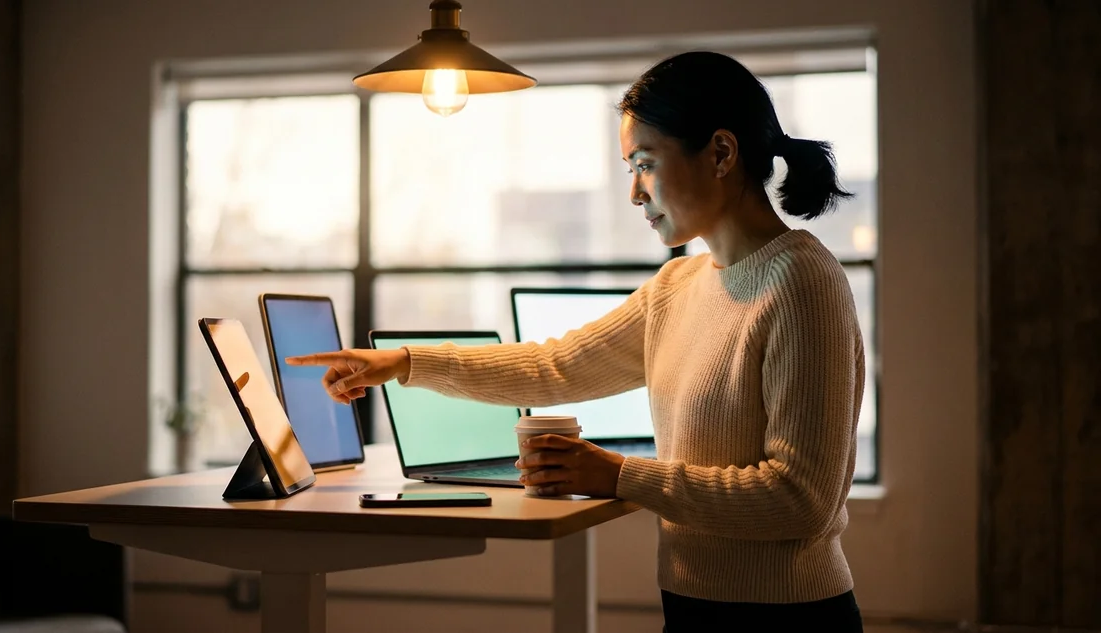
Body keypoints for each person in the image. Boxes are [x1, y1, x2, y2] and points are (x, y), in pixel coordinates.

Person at [288, 51, 866, 631]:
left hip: (791, 617)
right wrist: (405, 362)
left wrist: (619, 475)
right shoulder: (677, 286)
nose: (635, 193)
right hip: (691, 606)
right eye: (629, 169)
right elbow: (554, 367)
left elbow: (800, 501)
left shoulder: (803, 282)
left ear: (720, 153)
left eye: (645, 163)